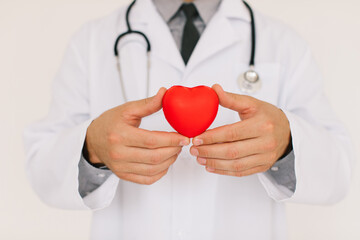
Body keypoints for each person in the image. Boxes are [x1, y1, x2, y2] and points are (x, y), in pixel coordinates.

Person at [23, 0, 354, 239]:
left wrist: (287, 143)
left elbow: (340, 172)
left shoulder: (283, 42)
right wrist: (90, 148)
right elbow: (42, 167)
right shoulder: (92, 41)